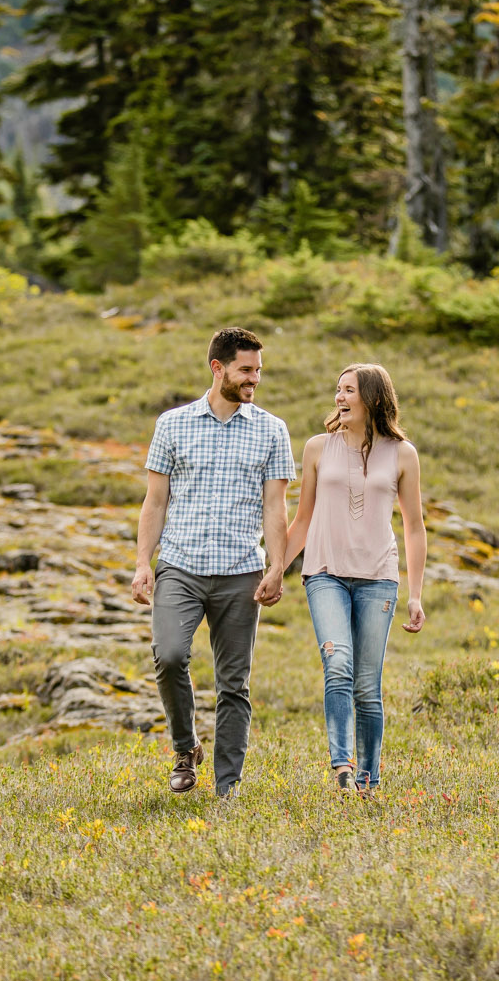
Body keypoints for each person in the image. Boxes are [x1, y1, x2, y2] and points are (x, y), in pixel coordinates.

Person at [132, 327, 295, 798]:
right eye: (246, 370)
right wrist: (144, 563)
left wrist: (276, 565)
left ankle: (227, 788)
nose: (254, 379)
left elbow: (275, 508)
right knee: (169, 656)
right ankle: (186, 750)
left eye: (259, 371)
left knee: (233, 684)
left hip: (242, 571)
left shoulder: (271, 430)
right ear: (217, 368)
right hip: (180, 566)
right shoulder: (172, 424)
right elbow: (155, 501)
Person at [282, 363, 427, 793]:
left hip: (378, 578)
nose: (339, 398)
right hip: (324, 572)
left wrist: (415, 595)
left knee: (368, 682)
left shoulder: (403, 454)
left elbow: (415, 527)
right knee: (338, 664)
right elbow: (302, 519)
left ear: (373, 399)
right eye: (337, 390)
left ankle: (368, 780)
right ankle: (343, 768)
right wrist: (275, 570)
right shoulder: (317, 448)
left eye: (349, 391)